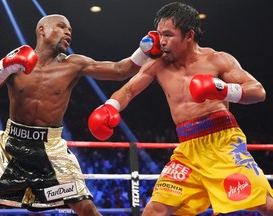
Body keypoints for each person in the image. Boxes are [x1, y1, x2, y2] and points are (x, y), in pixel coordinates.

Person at [88, 2, 273, 216]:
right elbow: (127, 91)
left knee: (266, 206)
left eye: (168, 35)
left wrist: (222, 89)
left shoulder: (217, 59)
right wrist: (110, 107)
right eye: (159, 34)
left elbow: (258, 91)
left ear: (189, 35)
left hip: (223, 144)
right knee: (154, 210)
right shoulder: (158, 64)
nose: (161, 41)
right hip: (187, 150)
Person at [0, 14, 161, 216]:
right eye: (61, 26)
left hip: (51, 152)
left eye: (70, 29)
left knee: (85, 207)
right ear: (42, 30)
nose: (68, 32)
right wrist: (2, 68)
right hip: (9, 147)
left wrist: (144, 50)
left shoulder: (75, 64)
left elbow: (120, 70)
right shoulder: (15, 61)